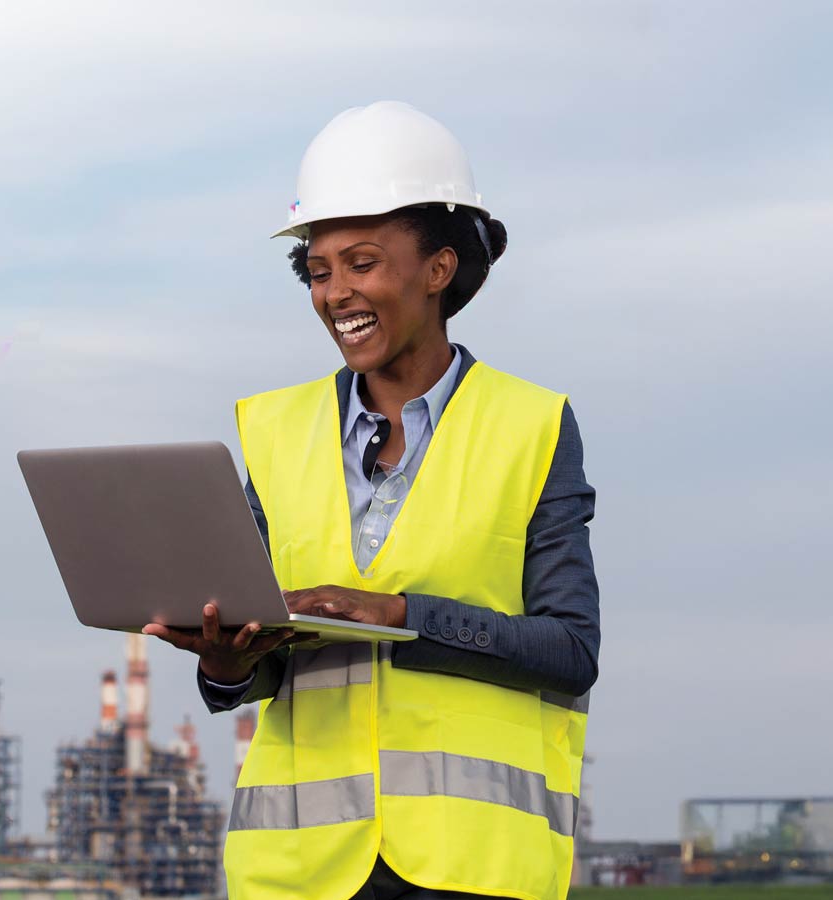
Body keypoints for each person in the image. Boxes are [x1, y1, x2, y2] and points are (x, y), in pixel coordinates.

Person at [142, 101, 599, 900]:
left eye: (362, 263)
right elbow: (255, 669)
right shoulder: (275, 432)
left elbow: (569, 652)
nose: (335, 293)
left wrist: (401, 615)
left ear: (438, 268)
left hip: (473, 868)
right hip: (301, 872)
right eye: (319, 272)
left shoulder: (532, 425)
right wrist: (224, 664)